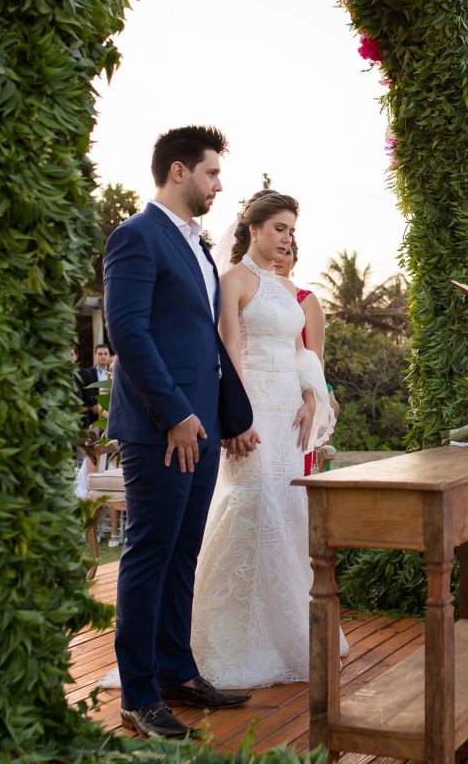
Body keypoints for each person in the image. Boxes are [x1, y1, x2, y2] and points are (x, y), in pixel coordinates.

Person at [104, 125, 259, 739]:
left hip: (201, 426)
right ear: (178, 171)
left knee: (183, 553)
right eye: (211, 173)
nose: (218, 185)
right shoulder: (135, 236)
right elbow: (128, 333)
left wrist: (223, 417)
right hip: (159, 428)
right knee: (149, 554)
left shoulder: (197, 246)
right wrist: (173, 414)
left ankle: (175, 671)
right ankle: (139, 695)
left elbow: (204, 342)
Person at [190, 189, 341, 689]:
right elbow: (229, 351)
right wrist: (237, 418)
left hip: (289, 418)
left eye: (291, 231)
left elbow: (302, 352)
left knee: (288, 517)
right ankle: (225, 644)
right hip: (252, 411)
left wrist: (312, 397)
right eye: (279, 228)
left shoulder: (285, 286)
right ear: (253, 228)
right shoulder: (232, 280)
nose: (286, 239)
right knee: (251, 510)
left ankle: (287, 637)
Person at [272, 238, 338, 474]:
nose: (281, 258)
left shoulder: (306, 300)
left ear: (294, 261)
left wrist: (311, 396)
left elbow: (314, 356)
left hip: (300, 383)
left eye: (288, 253)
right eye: (278, 252)